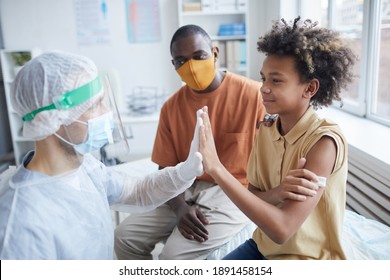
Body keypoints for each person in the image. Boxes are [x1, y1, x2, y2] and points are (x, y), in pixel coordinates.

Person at [0, 51, 204, 260]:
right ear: (52, 119)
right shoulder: (20, 223)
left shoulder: (84, 167)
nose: (107, 112)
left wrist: (185, 171)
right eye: (95, 105)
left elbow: (137, 191)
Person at [198, 17, 357, 260]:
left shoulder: (324, 143)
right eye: (263, 78)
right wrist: (278, 193)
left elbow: (283, 229)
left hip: (306, 259)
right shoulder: (266, 130)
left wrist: (217, 169)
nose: (264, 88)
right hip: (263, 247)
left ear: (309, 89)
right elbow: (253, 196)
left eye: (276, 80)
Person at [114, 24, 267, 260]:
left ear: (215, 53)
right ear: (173, 65)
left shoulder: (254, 96)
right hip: (183, 188)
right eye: (181, 60)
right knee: (124, 236)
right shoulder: (171, 108)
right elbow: (165, 167)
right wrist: (179, 208)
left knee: (172, 257)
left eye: (199, 56)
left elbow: (272, 157)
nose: (191, 67)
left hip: (232, 190)